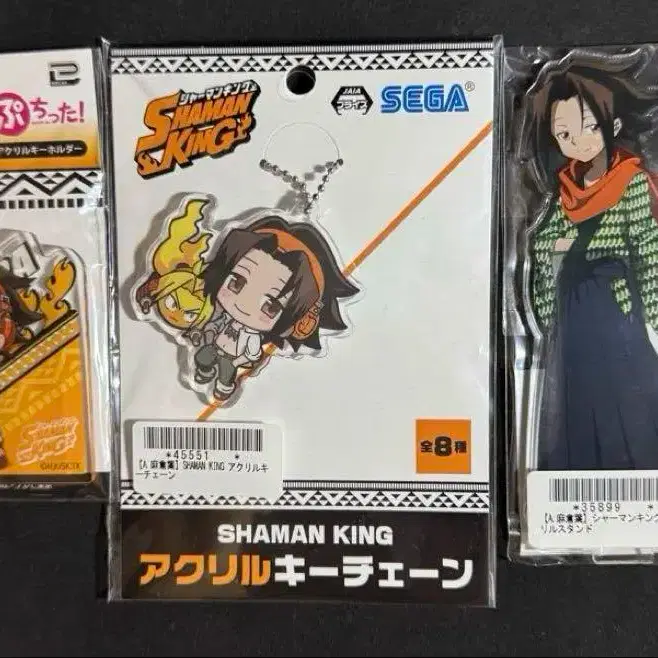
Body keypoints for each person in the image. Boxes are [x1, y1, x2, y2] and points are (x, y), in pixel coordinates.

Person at [525, 55, 658, 470]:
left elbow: (647, 247)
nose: (578, 141)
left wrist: (655, 317)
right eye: (564, 134)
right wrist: (547, 316)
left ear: (612, 126)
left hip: (616, 311)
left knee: (628, 403)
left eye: (588, 127)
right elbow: (542, 245)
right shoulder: (563, 191)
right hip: (571, 315)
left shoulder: (631, 183)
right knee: (574, 405)